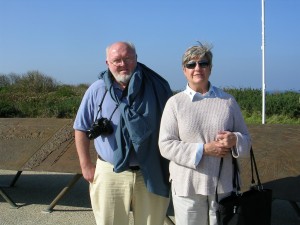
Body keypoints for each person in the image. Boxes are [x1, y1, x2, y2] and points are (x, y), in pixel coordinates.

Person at [73, 41, 172, 225]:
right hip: (109, 173)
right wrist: (85, 164)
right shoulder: (97, 89)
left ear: (136, 59)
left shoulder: (157, 87)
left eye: (127, 58)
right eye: (116, 60)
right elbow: (80, 128)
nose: (122, 64)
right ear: (107, 63)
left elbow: (173, 127)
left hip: (150, 171)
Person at [158, 42, 251, 225]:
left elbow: (247, 140)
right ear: (184, 70)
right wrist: (204, 150)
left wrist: (235, 139)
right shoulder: (174, 103)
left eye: (203, 63)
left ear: (211, 68)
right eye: (191, 64)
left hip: (223, 186)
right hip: (187, 187)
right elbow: (166, 145)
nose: (197, 68)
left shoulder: (228, 101)